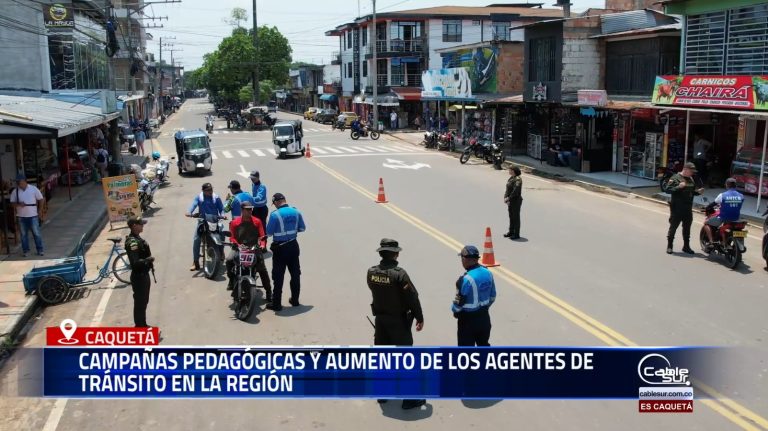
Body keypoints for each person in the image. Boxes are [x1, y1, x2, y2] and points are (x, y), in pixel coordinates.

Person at [367, 238, 425, 410]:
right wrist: (419, 317)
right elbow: (412, 298)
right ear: (395, 254)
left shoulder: (371, 272)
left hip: (381, 321)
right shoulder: (399, 274)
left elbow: (373, 290)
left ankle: (382, 394)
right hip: (398, 321)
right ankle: (409, 399)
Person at [265, 193, 306, 311]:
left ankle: (276, 304)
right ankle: (295, 300)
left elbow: (268, 233)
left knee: (278, 276)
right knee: (295, 274)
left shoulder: (275, 215)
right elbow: (302, 228)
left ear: (276, 202)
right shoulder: (296, 212)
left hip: (280, 248)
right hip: (293, 246)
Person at [226, 201, 272, 302]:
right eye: (247, 209)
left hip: (253, 248)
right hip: (239, 248)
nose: (250, 211)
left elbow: (262, 236)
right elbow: (232, 237)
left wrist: (262, 245)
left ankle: (269, 292)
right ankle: (231, 280)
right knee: (229, 260)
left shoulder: (257, 221)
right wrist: (237, 244)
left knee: (262, 269)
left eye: (251, 209)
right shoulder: (234, 222)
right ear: (242, 210)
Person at [452, 245, 496, 346]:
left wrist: (455, 311)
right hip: (484, 319)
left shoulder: (465, 280)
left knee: (465, 353)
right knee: (483, 346)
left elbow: (458, 305)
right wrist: (484, 308)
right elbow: (493, 296)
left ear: (465, 259)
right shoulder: (488, 273)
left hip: (468, 322)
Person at [665, 162, 704, 254]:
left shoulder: (691, 179)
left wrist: (698, 192)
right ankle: (669, 246)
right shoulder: (675, 178)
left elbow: (691, 192)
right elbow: (667, 190)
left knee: (687, 228)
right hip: (677, 208)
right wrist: (679, 186)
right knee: (673, 227)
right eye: (691, 171)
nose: (692, 173)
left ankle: (686, 246)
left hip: (687, 209)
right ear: (685, 169)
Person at [185, 183, 225, 271]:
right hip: (202, 221)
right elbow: (193, 205)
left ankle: (221, 252)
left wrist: (223, 215)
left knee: (222, 233)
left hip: (214, 220)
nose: (210, 191)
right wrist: (189, 212)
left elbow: (221, 209)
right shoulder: (199, 197)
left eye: (211, 189)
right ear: (203, 191)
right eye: (208, 190)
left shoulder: (216, 198)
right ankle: (195, 261)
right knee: (196, 239)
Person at [125, 217, 154, 327]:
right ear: (134, 226)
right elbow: (135, 263)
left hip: (144, 275)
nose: (142, 226)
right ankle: (140, 326)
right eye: (140, 224)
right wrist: (148, 260)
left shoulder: (137, 238)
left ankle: (143, 324)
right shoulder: (133, 242)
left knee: (144, 302)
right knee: (140, 303)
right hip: (139, 276)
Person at [704, 178, 744, 250]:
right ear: (735, 186)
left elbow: (714, 203)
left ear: (727, 185)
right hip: (736, 218)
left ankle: (711, 242)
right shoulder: (741, 196)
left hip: (724, 217)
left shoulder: (722, 195)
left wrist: (707, 208)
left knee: (706, 223)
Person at [10, 174, 45, 257]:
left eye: (20, 181)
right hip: (21, 216)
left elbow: (41, 199)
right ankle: (26, 250)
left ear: (24, 181)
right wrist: (18, 204)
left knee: (36, 233)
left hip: (33, 215)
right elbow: (12, 203)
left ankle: (40, 250)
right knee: (23, 235)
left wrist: (40, 210)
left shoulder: (33, 189)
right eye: (17, 182)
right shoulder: (16, 191)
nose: (18, 183)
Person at [503, 166, 523, 240]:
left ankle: (516, 234)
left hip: (516, 200)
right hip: (510, 200)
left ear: (514, 171)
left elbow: (516, 190)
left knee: (516, 217)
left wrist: (509, 198)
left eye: (510, 170)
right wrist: (505, 198)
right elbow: (507, 189)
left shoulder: (518, 179)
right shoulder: (511, 178)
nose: (509, 171)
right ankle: (511, 232)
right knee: (511, 216)